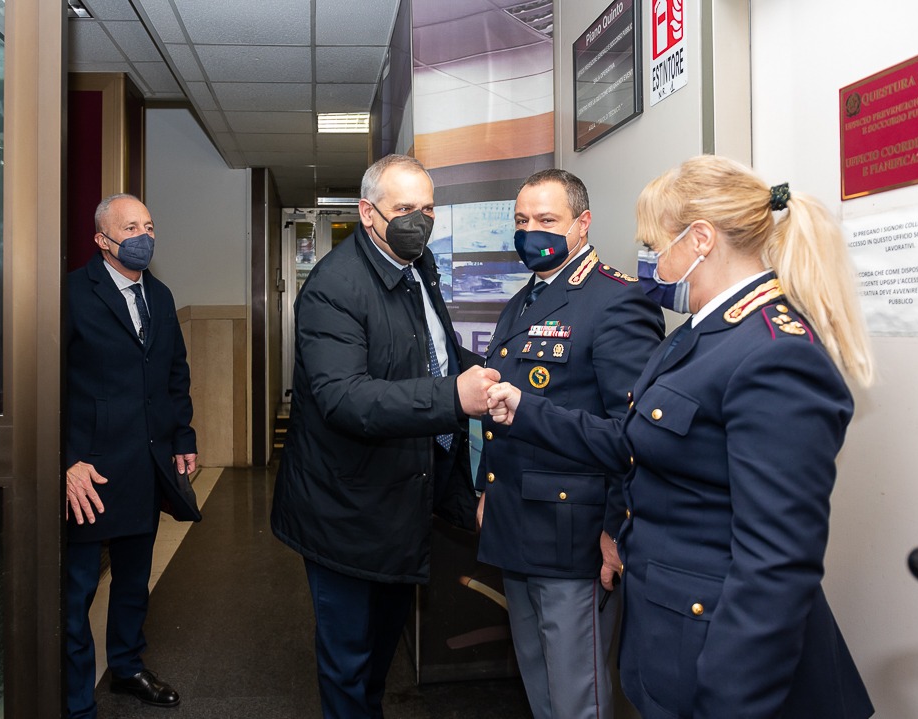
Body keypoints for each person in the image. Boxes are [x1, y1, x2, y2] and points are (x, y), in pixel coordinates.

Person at [486, 155, 875, 718]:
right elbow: (631, 442)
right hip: (671, 635)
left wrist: (729, 699)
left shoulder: (776, 352)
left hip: (724, 658)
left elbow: (777, 564)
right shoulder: (701, 334)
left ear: (698, 241)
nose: (650, 260)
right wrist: (525, 410)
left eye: (654, 243)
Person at [270, 154, 500, 719]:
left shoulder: (417, 267)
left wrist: (494, 368)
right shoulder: (333, 287)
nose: (419, 220)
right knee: (348, 659)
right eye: (405, 210)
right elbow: (344, 398)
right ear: (368, 213)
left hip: (404, 499)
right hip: (345, 508)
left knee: (377, 653)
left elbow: (433, 353)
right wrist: (453, 398)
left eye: (428, 209)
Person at [474, 169, 663, 719]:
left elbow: (633, 437)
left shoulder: (617, 301)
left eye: (546, 220)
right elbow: (501, 407)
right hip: (515, 521)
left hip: (573, 535)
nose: (531, 231)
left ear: (581, 224)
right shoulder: (526, 299)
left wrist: (615, 527)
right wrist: (487, 487)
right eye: (522, 220)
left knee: (577, 692)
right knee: (539, 681)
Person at [64, 194, 198, 718]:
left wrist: (182, 437)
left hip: (147, 465)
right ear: (102, 240)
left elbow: (174, 373)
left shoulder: (159, 297)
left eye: (149, 225)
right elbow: (41, 385)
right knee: (76, 597)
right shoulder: (71, 293)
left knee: (133, 581)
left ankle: (126, 666)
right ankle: (76, 702)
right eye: (131, 227)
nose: (145, 235)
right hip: (89, 472)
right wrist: (64, 460)